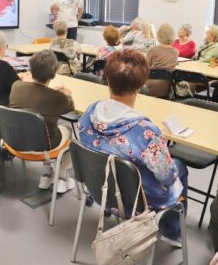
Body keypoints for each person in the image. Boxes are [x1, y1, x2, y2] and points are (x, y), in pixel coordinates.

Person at [78, 50, 188, 244]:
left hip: (99, 189)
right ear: (140, 86)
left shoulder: (91, 111)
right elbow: (166, 176)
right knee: (179, 167)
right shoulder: (146, 132)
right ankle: (171, 232)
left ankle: (108, 208)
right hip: (136, 202)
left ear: (107, 79)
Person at [9, 50, 75, 193]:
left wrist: (51, 91)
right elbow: (70, 107)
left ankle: (46, 175)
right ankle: (61, 178)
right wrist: (66, 94)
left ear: (30, 69)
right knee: (69, 131)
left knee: (44, 129)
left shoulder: (15, 87)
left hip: (15, 142)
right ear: (54, 72)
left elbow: (37, 94)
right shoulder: (57, 98)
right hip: (44, 146)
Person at [145, 24, 178, 97]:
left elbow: (145, 67)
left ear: (159, 35)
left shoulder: (153, 50)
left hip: (149, 85)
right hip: (166, 86)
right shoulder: (176, 52)